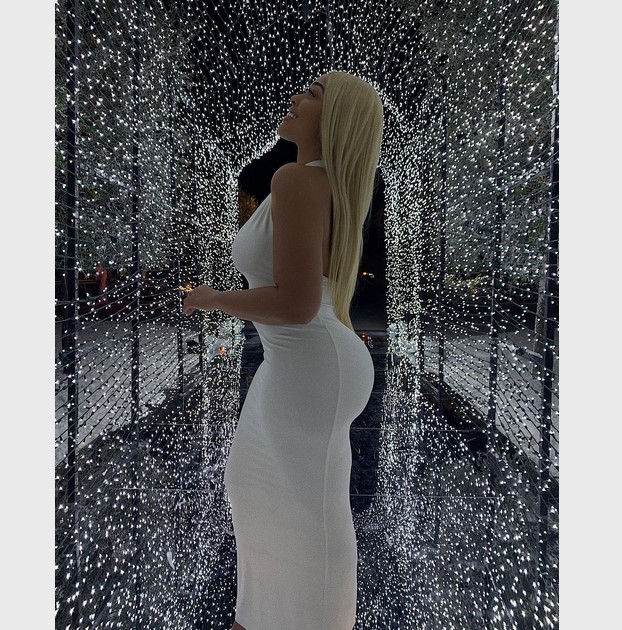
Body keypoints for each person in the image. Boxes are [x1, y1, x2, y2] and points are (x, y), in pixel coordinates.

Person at [183, 70, 384, 629]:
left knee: (301, 507)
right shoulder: (322, 183)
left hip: (308, 361)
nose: (296, 97)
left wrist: (210, 298)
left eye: (313, 93)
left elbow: (295, 304)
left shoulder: (296, 179)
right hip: (308, 362)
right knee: (286, 497)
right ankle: (271, 615)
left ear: (335, 118)